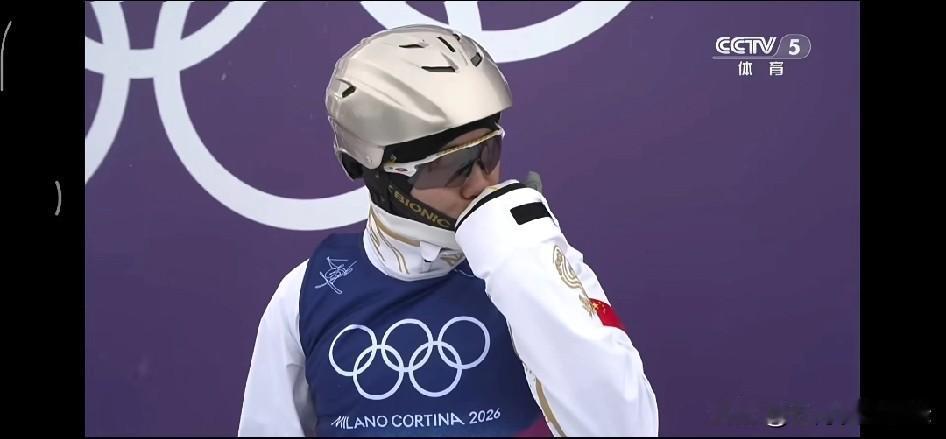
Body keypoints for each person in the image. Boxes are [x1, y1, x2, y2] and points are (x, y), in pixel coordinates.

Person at [237, 24, 659, 437]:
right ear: (375, 172)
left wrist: (524, 264)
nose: (480, 184)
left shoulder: (536, 260)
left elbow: (625, 429)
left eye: (489, 151)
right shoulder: (306, 294)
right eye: (448, 167)